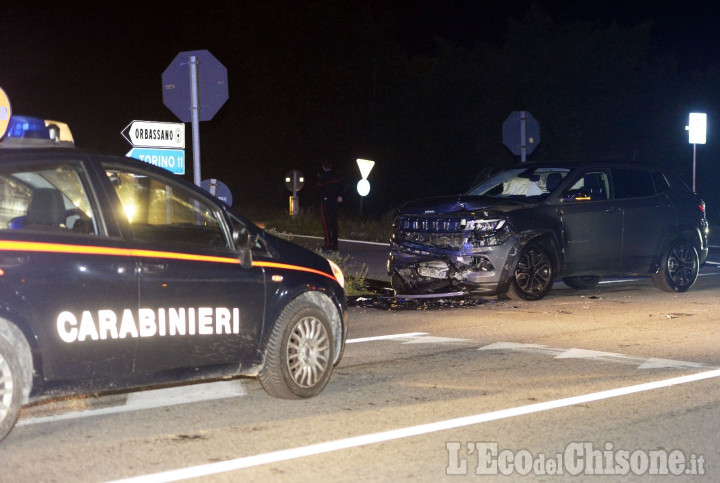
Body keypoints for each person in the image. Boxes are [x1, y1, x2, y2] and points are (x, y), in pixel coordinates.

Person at [317, 161, 344, 251]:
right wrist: (340, 195)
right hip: (335, 201)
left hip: (326, 201)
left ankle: (328, 244)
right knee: (334, 223)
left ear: (324, 167)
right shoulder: (337, 175)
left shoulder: (323, 177)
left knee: (326, 223)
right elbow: (343, 186)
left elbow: (319, 188)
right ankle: (335, 245)